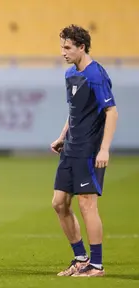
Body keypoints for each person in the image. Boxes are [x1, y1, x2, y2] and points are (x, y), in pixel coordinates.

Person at [51, 24, 118, 277]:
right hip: (70, 148)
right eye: (61, 47)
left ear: (82, 47)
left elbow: (111, 112)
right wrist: (62, 136)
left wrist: (104, 149)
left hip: (89, 150)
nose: (63, 52)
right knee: (59, 203)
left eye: (68, 47)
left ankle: (97, 265)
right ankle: (80, 258)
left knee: (87, 205)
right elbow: (75, 111)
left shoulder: (96, 75)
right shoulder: (71, 74)